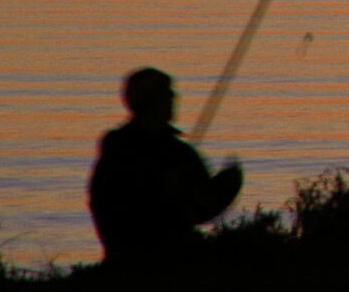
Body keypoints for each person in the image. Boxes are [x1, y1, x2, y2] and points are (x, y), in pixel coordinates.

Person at [87, 67, 243, 269]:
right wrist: (229, 184)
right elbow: (202, 208)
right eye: (167, 92)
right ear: (151, 100)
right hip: (170, 265)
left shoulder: (114, 152)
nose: (174, 97)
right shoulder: (176, 154)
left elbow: (100, 207)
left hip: (121, 264)